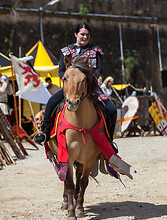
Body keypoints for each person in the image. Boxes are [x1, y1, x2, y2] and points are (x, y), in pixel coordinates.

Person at [35, 22, 117, 152]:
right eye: (82, 34)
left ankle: (109, 140)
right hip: (71, 88)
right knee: (51, 102)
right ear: (76, 34)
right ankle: (44, 132)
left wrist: (90, 79)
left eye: (87, 35)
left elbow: (99, 69)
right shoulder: (66, 51)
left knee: (112, 109)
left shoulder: (95, 51)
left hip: (91, 87)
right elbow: (61, 71)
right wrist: (69, 81)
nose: (85, 37)